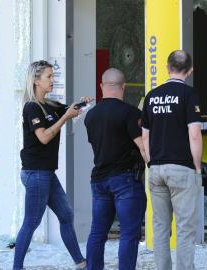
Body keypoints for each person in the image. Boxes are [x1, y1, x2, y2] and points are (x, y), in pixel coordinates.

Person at [14, 60, 87, 270]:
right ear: (37, 81)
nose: (53, 80)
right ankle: (16, 267)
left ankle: (80, 262)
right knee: (32, 222)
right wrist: (65, 117)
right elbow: (44, 137)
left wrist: (81, 104)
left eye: (53, 76)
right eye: (49, 77)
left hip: (45, 172)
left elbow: (70, 109)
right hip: (36, 172)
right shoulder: (32, 108)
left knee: (66, 214)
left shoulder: (50, 105)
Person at [141, 50, 202, 270]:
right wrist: (196, 167)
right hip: (181, 169)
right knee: (185, 229)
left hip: (156, 168)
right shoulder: (189, 95)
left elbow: (145, 136)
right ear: (191, 70)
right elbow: (194, 134)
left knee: (160, 227)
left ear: (167, 68)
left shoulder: (151, 96)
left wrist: (150, 161)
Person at [84, 68, 147, 270]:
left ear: (102, 86)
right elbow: (143, 147)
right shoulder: (130, 113)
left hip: (99, 181)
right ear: (124, 87)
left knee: (97, 232)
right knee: (129, 233)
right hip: (125, 180)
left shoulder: (91, 116)